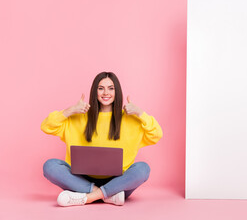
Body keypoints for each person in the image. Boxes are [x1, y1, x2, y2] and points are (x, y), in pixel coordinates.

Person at [41, 71, 163, 207]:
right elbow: (46, 126)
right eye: (101, 88)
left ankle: (88, 198)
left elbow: (157, 134)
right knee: (50, 166)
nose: (106, 93)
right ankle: (104, 195)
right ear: (95, 91)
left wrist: (140, 113)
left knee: (143, 169)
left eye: (111, 88)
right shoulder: (79, 117)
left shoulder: (131, 119)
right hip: (82, 181)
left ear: (117, 92)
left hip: (119, 182)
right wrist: (70, 110)